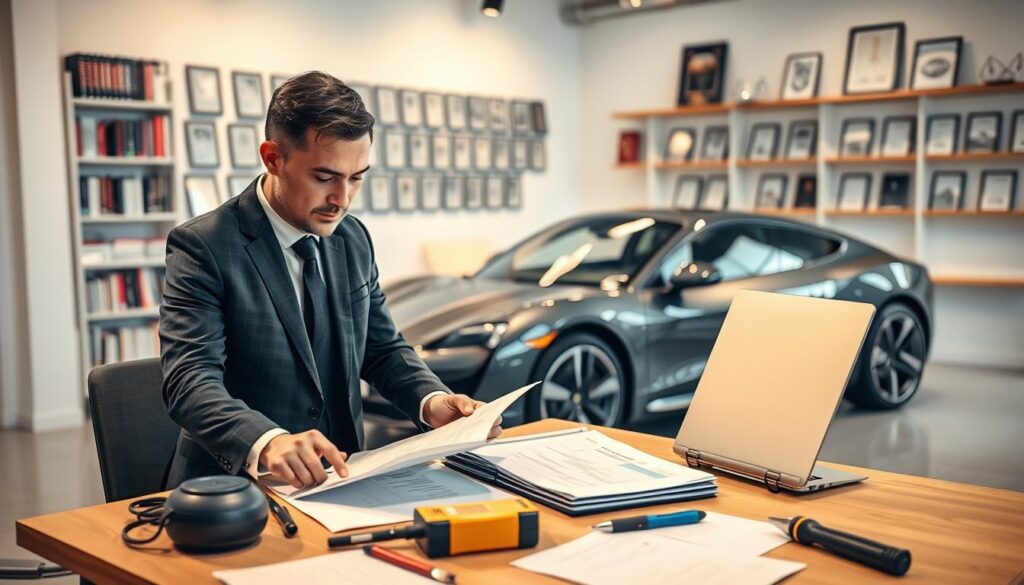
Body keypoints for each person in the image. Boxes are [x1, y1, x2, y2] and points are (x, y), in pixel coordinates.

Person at [160, 71, 499, 490]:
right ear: (273, 158)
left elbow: (381, 349)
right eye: (324, 178)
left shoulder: (352, 238)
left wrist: (431, 401)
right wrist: (268, 441)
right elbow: (189, 380)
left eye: (356, 177)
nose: (342, 199)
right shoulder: (203, 245)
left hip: (343, 477)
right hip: (234, 488)